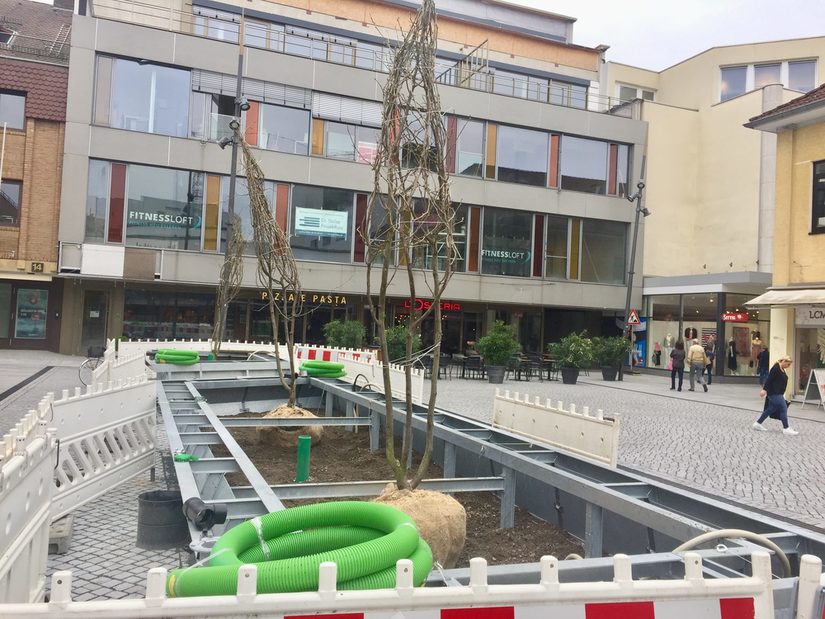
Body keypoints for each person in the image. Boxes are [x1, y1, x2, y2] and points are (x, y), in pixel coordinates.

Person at [752, 354, 798, 435]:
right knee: (783, 408)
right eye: (788, 364)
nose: (789, 366)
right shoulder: (776, 368)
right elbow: (769, 379)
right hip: (774, 393)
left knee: (770, 409)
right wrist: (764, 390)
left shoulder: (782, 369)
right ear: (783, 361)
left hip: (778, 393)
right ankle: (786, 428)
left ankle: (757, 424)